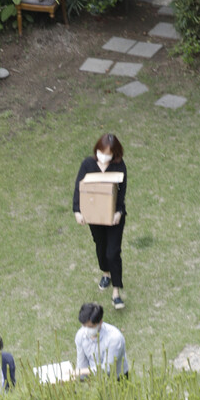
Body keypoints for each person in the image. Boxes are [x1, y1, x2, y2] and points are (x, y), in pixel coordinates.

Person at [73, 132, 127, 309]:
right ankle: (106, 273)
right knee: (100, 246)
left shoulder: (119, 166)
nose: (103, 156)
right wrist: (77, 211)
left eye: (107, 153)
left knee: (113, 252)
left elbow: (121, 192)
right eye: (101, 151)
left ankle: (116, 292)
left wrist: (118, 212)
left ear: (114, 153)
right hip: (95, 216)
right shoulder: (88, 164)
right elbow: (78, 188)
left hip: (113, 218)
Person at [74, 303, 129, 380]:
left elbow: (107, 369)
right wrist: (79, 378)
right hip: (94, 377)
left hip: (116, 378)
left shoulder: (114, 338)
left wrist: (81, 371)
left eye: (90, 327)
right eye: (84, 326)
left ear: (100, 322)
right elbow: (81, 362)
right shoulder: (80, 335)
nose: (86, 330)